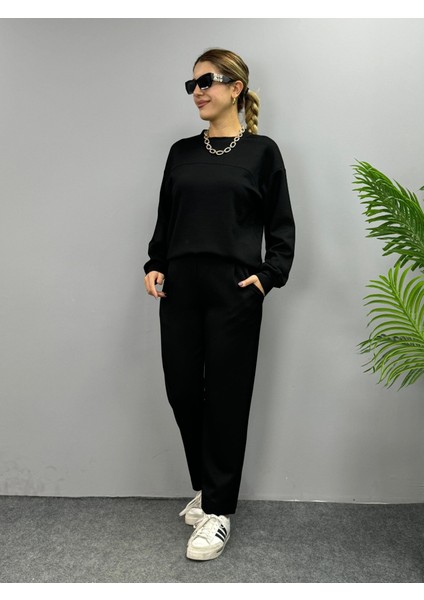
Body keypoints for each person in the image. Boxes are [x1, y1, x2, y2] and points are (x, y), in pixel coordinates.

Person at [143, 48, 295, 561]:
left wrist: (268, 276)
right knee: (183, 391)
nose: (198, 91)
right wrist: (155, 261)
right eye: (192, 85)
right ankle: (209, 488)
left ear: (236, 88)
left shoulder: (262, 152)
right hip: (181, 287)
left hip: (234, 289)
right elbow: (166, 216)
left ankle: (219, 510)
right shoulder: (181, 152)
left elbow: (281, 225)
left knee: (228, 397)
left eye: (207, 81)